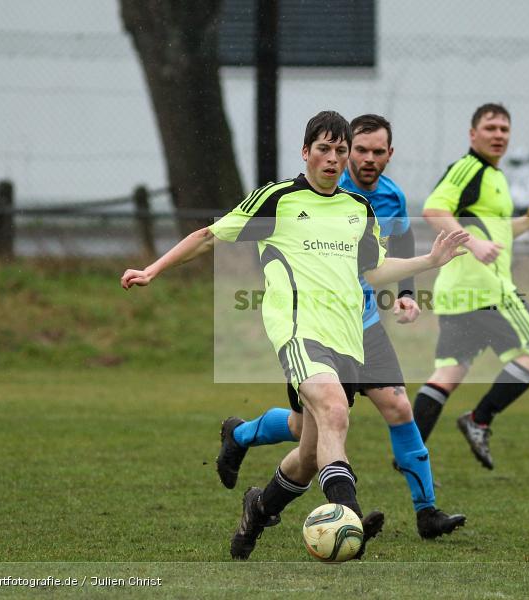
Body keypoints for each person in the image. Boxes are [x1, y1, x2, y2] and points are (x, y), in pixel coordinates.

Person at [120, 111, 468, 560]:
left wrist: (428, 262)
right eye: (325, 149)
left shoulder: (357, 209)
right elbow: (210, 236)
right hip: (300, 332)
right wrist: (152, 270)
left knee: (308, 452)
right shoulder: (278, 199)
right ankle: (349, 515)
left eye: (340, 151)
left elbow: (374, 269)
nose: (334, 159)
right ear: (306, 152)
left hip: (348, 338)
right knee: (334, 410)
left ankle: (258, 508)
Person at [215, 114, 466, 540]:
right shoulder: (324, 188)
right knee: (306, 431)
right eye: (360, 150)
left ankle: (426, 513)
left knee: (398, 408)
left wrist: (407, 291)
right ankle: (242, 438)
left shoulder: (388, 198)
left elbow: (393, 250)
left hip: (364, 325)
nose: (367, 159)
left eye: (377, 152)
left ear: (390, 154)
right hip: (314, 327)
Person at [412, 103, 529, 470]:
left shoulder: (495, 176)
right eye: (490, 127)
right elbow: (433, 210)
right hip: (486, 289)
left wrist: (525, 223)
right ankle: (479, 420)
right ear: (472, 134)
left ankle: (408, 453)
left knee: (450, 372)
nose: (498, 135)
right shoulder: (467, 168)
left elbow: (491, 230)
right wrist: (472, 245)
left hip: (459, 291)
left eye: (504, 129)